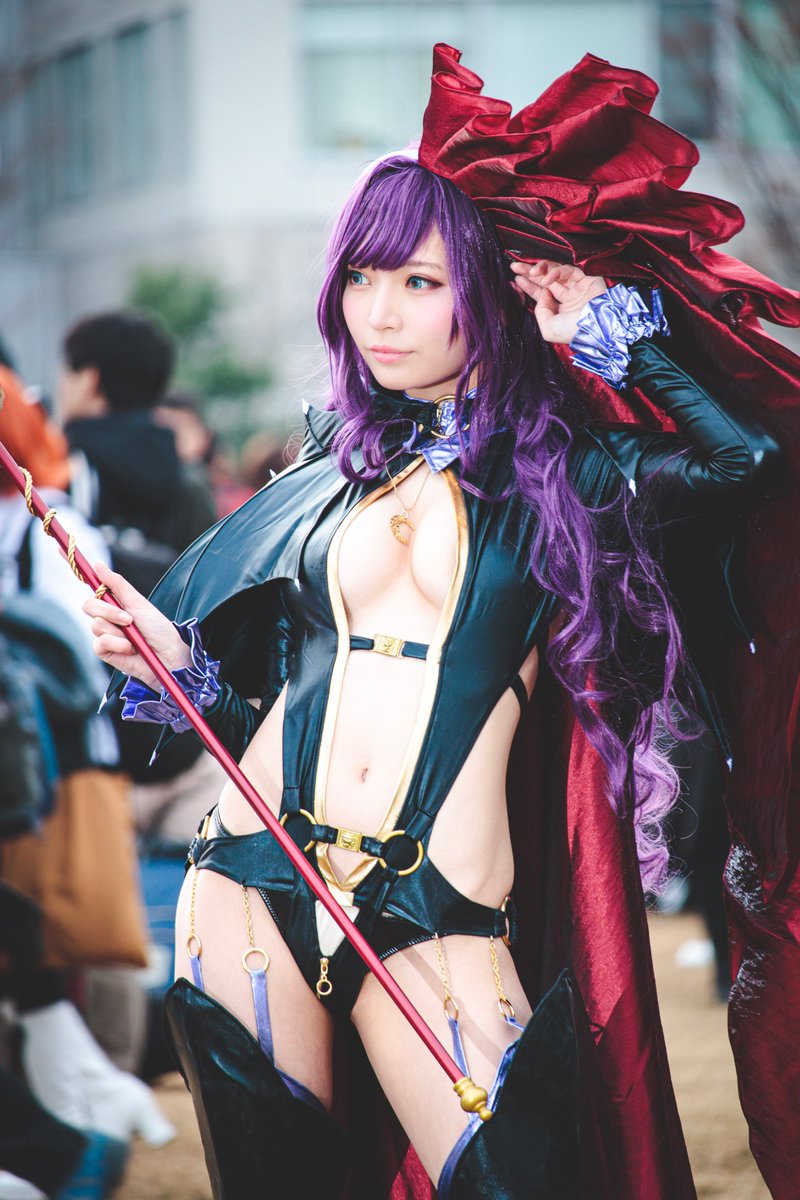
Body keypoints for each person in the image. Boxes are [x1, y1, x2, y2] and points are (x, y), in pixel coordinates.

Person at [81, 48, 797, 1200]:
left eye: (418, 281)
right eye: (361, 278)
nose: (379, 313)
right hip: (251, 874)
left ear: (493, 289)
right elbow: (287, 678)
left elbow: (743, 464)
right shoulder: (329, 468)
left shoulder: (570, 475)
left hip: (434, 906)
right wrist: (178, 666)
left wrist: (614, 336)